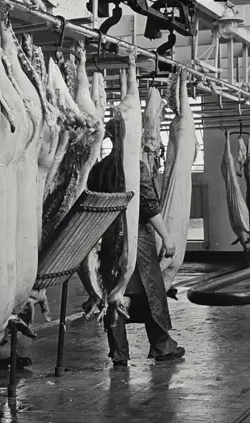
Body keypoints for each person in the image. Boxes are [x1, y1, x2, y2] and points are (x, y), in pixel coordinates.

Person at [87, 119, 185, 367]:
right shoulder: (137, 167)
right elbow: (149, 206)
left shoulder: (98, 170)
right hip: (138, 240)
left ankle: (119, 353)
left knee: (115, 293)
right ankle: (162, 345)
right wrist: (166, 236)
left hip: (110, 242)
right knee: (151, 292)